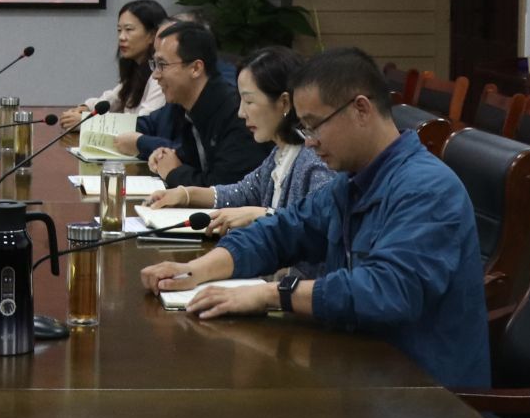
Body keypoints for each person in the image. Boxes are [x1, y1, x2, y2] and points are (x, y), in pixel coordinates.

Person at [138, 47, 489, 389]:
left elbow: (385, 291)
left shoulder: (426, 189)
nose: (309, 143)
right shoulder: (352, 182)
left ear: (361, 110)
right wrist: (195, 271)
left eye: (313, 126)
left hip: (422, 395)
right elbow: (281, 231)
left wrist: (271, 294)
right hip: (359, 370)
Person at [147, 44, 332, 230]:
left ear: (284, 102)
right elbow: (243, 193)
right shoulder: (280, 153)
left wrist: (261, 215)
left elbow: (321, 225)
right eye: (241, 100)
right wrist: (186, 195)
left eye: (249, 101)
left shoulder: (313, 160)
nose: (241, 113)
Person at [138, 21, 269, 188]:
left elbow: (223, 189)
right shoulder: (188, 106)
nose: (155, 75)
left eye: (162, 65)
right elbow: (193, 162)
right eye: (155, 65)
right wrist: (166, 157)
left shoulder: (236, 113)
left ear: (196, 68)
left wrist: (174, 172)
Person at [73, 0, 167, 120]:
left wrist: (87, 121)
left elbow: (144, 122)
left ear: (152, 35)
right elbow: (114, 99)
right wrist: (87, 108)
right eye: (119, 30)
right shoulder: (136, 69)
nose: (121, 37)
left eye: (129, 29)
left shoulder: (160, 74)